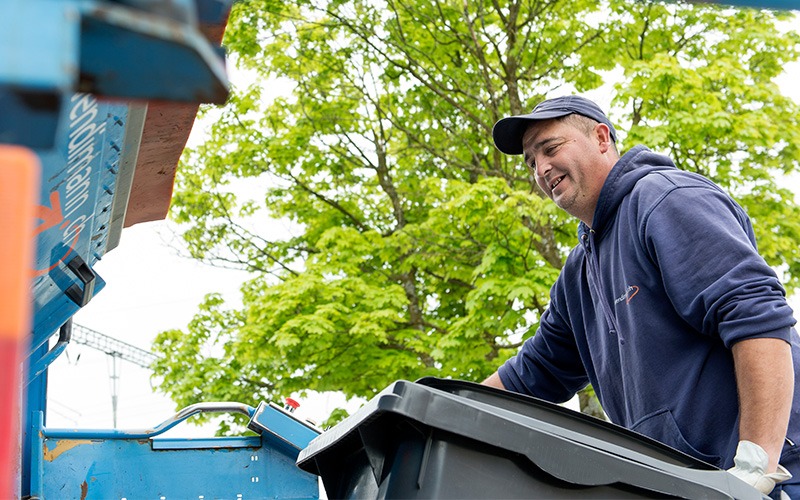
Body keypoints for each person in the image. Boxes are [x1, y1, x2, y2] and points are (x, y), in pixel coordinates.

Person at [485, 95, 800, 498]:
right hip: (695, 490)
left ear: (601, 138)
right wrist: (432, 404)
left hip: (774, 478)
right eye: (531, 162)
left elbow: (759, 320)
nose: (541, 169)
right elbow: (533, 373)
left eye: (550, 148)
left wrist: (756, 468)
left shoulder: (664, 200)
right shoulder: (578, 275)